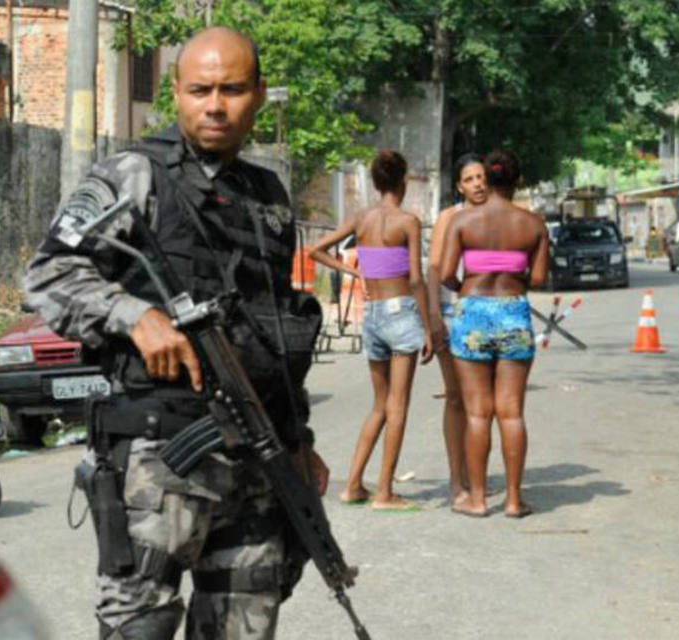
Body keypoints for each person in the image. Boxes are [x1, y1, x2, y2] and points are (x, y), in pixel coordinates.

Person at [25, 27, 329, 639]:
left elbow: (273, 334)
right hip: (161, 455)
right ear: (177, 93)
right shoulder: (133, 176)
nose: (215, 105)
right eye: (201, 90)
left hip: (257, 458)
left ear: (260, 95)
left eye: (233, 89)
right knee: (140, 624)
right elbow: (49, 274)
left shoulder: (266, 196)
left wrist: (300, 438)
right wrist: (133, 315)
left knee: (246, 623)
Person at [309, 150, 433, 511]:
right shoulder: (408, 221)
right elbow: (415, 280)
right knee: (398, 406)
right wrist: (427, 327)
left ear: (378, 183)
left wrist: (353, 272)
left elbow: (316, 249)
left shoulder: (361, 219)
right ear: (403, 181)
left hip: (373, 316)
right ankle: (384, 492)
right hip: (401, 315)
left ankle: (352, 486)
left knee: (379, 404)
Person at [439, 149, 548, 519]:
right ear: (517, 181)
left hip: (472, 313)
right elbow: (537, 279)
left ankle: (478, 498)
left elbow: (444, 273)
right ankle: (515, 501)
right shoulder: (533, 225)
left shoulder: (463, 221)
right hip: (514, 312)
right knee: (512, 413)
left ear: (486, 179)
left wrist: (466, 289)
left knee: (477, 414)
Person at [426, 153, 487, 507]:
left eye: (481, 177)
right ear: (459, 186)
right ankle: (456, 481)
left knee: (477, 400)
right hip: (451, 311)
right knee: (455, 397)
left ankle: (474, 475)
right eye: (470, 179)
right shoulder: (449, 218)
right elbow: (434, 268)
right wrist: (433, 316)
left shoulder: (492, 214)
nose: (477, 183)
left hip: (482, 313)